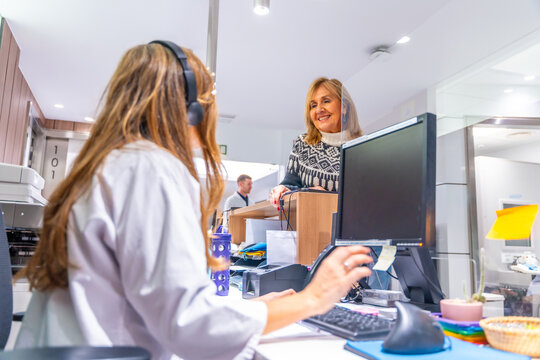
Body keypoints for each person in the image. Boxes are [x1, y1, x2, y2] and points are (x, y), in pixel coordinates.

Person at [14, 41, 373, 360]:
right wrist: (312, 299)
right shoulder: (150, 169)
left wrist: (256, 311)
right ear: (190, 110)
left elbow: (168, 308)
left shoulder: (118, 163)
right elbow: (190, 327)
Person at [269, 77, 362, 207]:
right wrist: (283, 190)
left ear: (344, 107)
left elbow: (368, 197)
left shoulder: (362, 148)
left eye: (326, 101)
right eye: (313, 105)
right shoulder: (303, 144)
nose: (319, 110)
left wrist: (327, 198)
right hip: (309, 223)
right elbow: (291, 184)